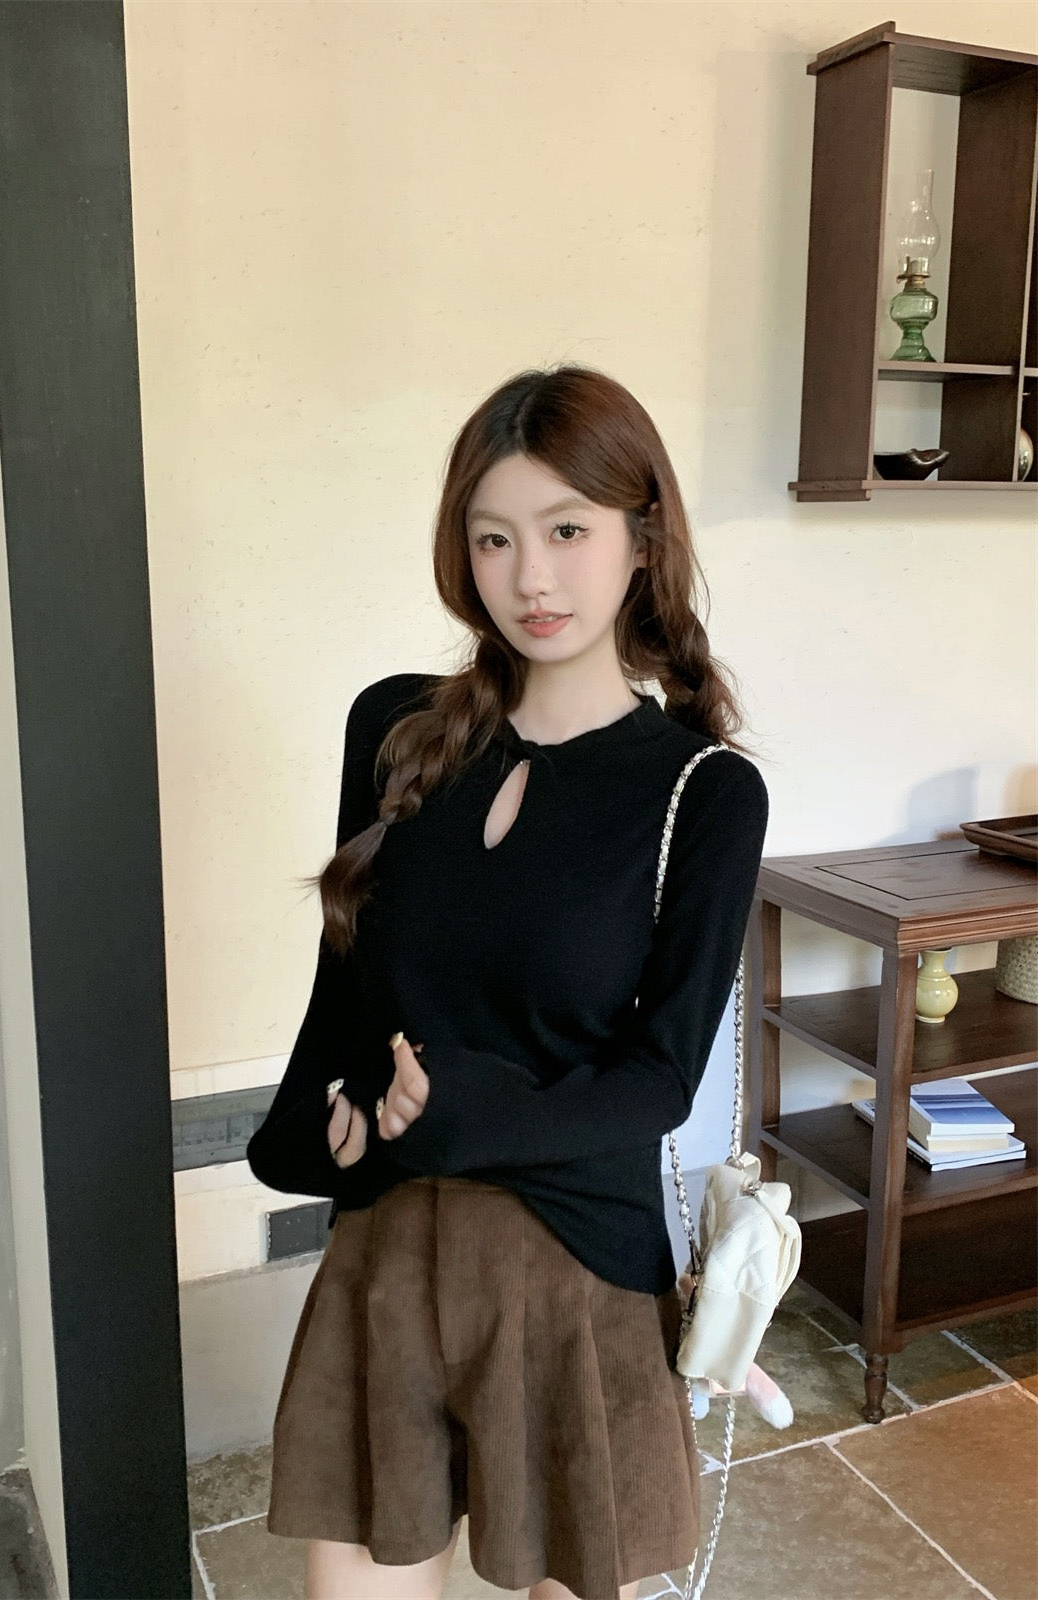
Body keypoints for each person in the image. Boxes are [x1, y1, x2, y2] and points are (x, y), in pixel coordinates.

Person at [245, 364, 770, 1600]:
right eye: (495, 538)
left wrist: (472, 1112)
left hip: (574, 1273)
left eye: (567, 531)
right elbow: (344, 993)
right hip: (386, 1257)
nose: (532, 577)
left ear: (643, 539)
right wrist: (330, 1118)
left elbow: (658, 1078)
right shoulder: (397, 730)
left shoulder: (702, 792)